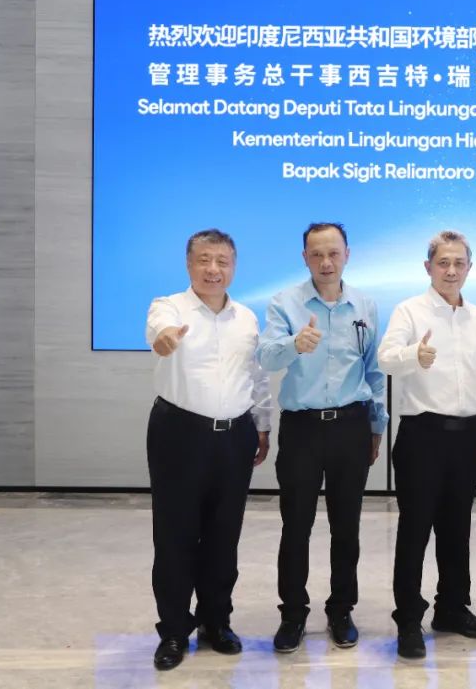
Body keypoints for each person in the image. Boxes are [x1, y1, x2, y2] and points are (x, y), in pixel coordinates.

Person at [256, 222, 388, 653]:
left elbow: (373, 371)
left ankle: (341, 610)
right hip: (303, 430)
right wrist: (296, 343)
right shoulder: (284, 303)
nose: (326, 262)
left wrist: (377, 425)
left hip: (351, 425)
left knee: (346, 526)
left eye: (333, 253)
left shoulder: (365, 305)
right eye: (316, 254)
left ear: (347, 254)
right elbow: (266, 357)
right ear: (305, 258)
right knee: (296, 525)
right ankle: (293, 613)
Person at [145, 228, 271, 672]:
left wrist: (262, 425)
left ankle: (216, 622)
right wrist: (164, 339)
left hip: (236, 435)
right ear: (189, 264)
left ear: (233, 267)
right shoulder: (168, 307)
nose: (213, 269)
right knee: (175, 534)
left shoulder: (246, 318)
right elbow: (158, 333)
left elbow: (256, 376)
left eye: (222, 261)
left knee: (224, 534)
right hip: (179, 433)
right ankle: (174, 631)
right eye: (204, 260)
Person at [377, 230, 476, 659]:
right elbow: (385, 358)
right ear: (428, 266)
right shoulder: (409, 311)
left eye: (459, 263)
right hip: (422, 435)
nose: (451, 270)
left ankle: (452, 607)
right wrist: (414, 354)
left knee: (456, 528)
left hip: (468, 435)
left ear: (469, 268)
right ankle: (408, 619)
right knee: (414, 530)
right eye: (443, 262)